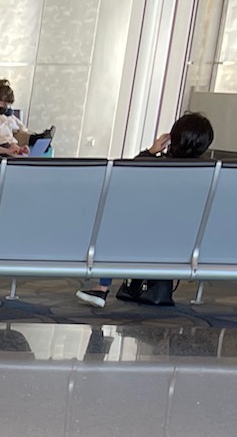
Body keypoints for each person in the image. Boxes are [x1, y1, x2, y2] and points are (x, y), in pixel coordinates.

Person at [78, 111, 215, 308]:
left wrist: (150, 151)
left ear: (174, 137)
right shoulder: (209, 171)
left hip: (143, 240)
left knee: (114, 222)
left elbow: (128, 173)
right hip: (187, 243)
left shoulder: (155, 164)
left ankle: (102, 289)